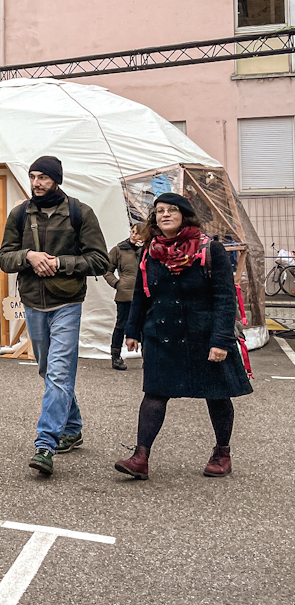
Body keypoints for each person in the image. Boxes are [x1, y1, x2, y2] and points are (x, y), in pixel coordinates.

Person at [114, 194, 253, 481]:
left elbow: (225, 298)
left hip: (205, 335)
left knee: (217, 394)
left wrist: (221, 341)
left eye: (172, 210)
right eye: (159, 211)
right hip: (162, 333)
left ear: (185, 215)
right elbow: (140, 293)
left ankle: (222, 453)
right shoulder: (149, 251)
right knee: (154, 393)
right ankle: (140, 457)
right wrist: (132, 330)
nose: (164, 214)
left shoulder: (210, 249)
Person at [0, 155, 109, 477]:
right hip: (33, 302)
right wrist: (29, 256)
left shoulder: (79, 213)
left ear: (56, 179)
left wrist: (60, 263)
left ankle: (45, 444)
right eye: (33, 176)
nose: (36, 183)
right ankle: (72, 427)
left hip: (67, 303)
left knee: (59, 374)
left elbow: (100, 261)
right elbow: (4, 258)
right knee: (48, 370)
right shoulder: (20, 214)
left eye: (43, 177)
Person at [104, 221, 149, 371]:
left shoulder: (149, 250)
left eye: (138, 233)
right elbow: (106, 269)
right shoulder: (119, 249)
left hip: (145, 295)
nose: (134, 235)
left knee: (146, 326)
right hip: (125, 294)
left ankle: (148, 357)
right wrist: (117, 283)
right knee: (121, 325)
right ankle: (116, 356)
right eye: (132, 232)